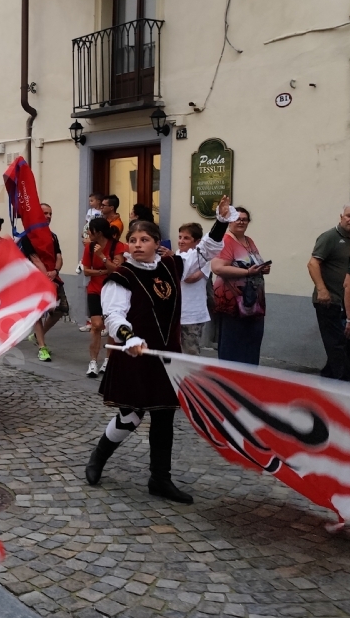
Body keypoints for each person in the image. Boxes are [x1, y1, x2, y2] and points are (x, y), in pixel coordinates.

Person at [85, 198, 237, 504]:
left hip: (166, 355)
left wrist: (221, 221)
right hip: (136, 354)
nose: (137, 245)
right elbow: (115, 316)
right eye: (133, 240)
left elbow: (205, 250)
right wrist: (129, 338)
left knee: (165, 416)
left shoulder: (171, 265)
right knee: (131, 416)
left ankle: (160, 479)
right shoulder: (121, 277)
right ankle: (98, 458)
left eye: (144, 240)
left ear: (157, 243)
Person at [308, 202, 350, 380]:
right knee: (336, 344)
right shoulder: (330, 237)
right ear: (341, 217)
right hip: (329, 301)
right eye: (349, 215)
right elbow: (313, 263)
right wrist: (322, 290)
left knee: (347, 345)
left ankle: (327, 378)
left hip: (349, 301)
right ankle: (344, 383)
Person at [211, 207, 270, 365]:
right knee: (233, 346)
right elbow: (217, 268)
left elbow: (252, 263)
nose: (241, 221)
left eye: (244, 219)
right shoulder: (225, 241)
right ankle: (230, 382)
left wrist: (262, 269)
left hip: (253, 304)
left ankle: (248, 379)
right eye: (237, 218)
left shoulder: (248, 240)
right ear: (229, 221)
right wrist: (247, 272)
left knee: (251, 343)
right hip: (232, 305)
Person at [20, 203, 66, 363]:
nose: (48, 216)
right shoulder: (28, 236)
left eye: (50, 213)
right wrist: (47, 275)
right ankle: (42, 347)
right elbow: (34, 258)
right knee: (38, 313)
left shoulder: (53, 236)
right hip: (35, 280)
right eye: (45, 213)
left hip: (53, 277)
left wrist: (55, 271)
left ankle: (37, 336)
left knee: (61, 309)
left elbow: (59, 256)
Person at [80, 218, 124, 376]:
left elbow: (118, 270)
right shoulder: (89, 247)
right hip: (94, 290)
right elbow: (86, 270)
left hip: (112, 291)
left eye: (90, 230)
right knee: (96, 325)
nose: (87, 233)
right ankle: (93, 362)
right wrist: (103, 271)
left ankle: (108, 360)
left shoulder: (117, 246)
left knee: (111, 326)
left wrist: (102, 257)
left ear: (98, 232)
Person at [177, 222, 212, 357]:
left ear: (197, 242)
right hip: (177, 314)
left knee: (190, 352)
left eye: (186, 238)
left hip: (192, 314)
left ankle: (191, 378)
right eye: (180, 237)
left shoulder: (204, 260)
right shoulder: (176, 255)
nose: (181, 241)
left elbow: (189, 278)